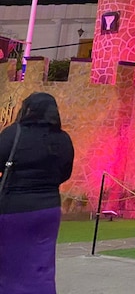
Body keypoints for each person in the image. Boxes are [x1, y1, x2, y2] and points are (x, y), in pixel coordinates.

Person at [0, 92, 75, 294]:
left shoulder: (14, 134)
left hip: (14, 208)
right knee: (41, 264)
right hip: (48, 209)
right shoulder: (63, 139)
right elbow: (65, 172)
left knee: (9, 264)